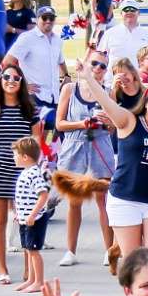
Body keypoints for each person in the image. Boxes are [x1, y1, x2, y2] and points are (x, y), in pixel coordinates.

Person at [75, 64, 148, 261]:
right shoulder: (130, 121)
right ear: (146, 102)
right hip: (125, 199)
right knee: (134, 261)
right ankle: (134, 292)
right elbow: (106, 103)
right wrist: (88, 77)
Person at [0, 64, 45, 284]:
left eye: (16, 78)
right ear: (1, 79)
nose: (11, 81)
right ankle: (2, 269)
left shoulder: (30, 109)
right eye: (7, 77)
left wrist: (37, 170)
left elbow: (36, 142)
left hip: (23, 173)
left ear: (22, 82)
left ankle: (29, 270)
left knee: (26, 219)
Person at [53, 53, 117, 268]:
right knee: (74, 200)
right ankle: (70, 250)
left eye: (103, 66)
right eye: (95, 64)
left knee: (103, 200)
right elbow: (59, 124)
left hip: (100, 144)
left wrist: (106, 122)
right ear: (85, 64)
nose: (98, 68)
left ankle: (109, 251)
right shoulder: (69, 89)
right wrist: (82, 123)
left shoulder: (108, 92)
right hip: (75, 146)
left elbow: (114, 127)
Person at [12, 137, 53, 293]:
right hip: (25, 219)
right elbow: (24, 196)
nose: (14, 158)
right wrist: (19, 214)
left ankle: (39, 281)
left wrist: (32, 215)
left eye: (15, 155)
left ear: (25, 157)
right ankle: (31, 279)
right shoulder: (26, 172)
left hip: (34, 220)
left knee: (34, 251)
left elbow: (43, 195)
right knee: (28, 249)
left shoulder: (34, 174)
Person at [4, 6, 64, 106]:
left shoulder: (57, 40)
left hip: (55, 97)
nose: (48, 21)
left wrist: (66, 76)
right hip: (34, 98)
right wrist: (22, 85)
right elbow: (7, 62)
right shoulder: (27, 38)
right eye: (44, 18)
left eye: (51, 18)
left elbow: (60, 60)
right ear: (37, 20)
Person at [100, 1, 148, 84]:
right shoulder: (109, 34)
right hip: (113, 84)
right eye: (126, 10)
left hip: (140, 85)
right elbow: (101, 59)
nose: (129, 12)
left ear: (138, 13)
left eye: (133, 10)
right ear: (121, 13)